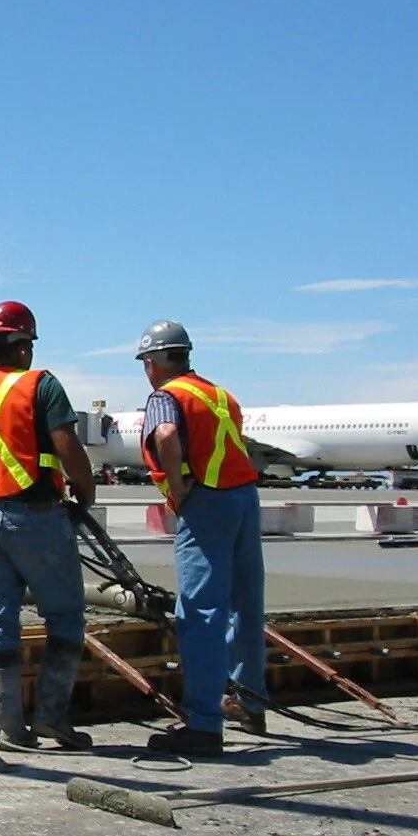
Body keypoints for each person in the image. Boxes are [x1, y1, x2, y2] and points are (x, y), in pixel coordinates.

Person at [0, 301, 97, 749]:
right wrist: (85, 493)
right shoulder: (40, 386)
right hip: (35, 515)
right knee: (64, 615)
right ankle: (52, 717)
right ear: (24, 346)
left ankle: (10, 729)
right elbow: (67, 445)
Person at [135, 319, 266, 757]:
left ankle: (204, 724)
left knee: (200, 612)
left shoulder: (166, 397)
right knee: (245, 606)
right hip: (244, 499)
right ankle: (249, 704)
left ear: (152, 362)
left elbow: (167, 435)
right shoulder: (218, 394)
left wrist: (178, 484)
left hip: (207, 503)